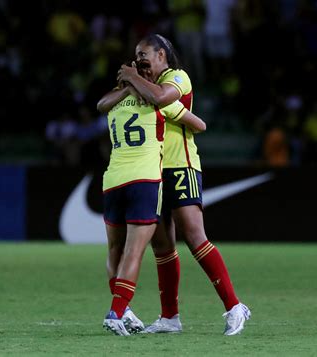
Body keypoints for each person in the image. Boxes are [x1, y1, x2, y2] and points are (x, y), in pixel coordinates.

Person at [116, 33, 251, 335]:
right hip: (153, 172)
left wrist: (131, 78)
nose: (139, 60)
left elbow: (163, 98)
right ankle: (169, 318)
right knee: (162, 246)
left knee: (195, 237)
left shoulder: (178, 77)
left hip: (182, 167)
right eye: (136, 55)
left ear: (162, 54)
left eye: (144, 54)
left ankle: (234, 306)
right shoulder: (141, 86)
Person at [97, 62, 206, 336]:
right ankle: (117, 311)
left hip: (112, 180)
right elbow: (199, 125)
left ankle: (126, 311)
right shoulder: (157, 102)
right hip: (144, 181)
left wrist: (125, 87)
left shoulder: (114, 104)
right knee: (135, 252)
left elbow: (101, 103)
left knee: (114, 250)